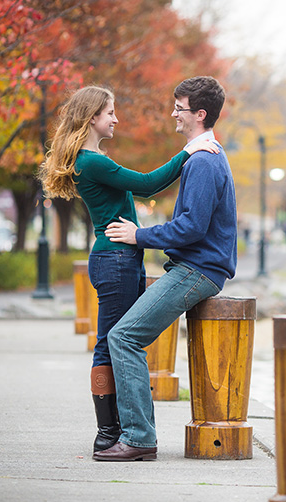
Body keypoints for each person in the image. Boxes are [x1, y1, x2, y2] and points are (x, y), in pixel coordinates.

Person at [38, 85, 219, 456]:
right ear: (92, 118)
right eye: (110, 113)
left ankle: (116, 430)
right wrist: (189, 150)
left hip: (119, 258)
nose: (116, 119)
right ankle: (110, 432)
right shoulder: (93, 161)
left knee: (115, 341)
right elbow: (147, 184)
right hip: (115, 259)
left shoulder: (91, 159)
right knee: (113, 342)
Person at [93, 76, 237, 462]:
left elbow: (192, 227)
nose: (173, 112)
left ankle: (139, 438)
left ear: (199, 114)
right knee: (124, 336)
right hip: (194, 267)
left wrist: (139, 235)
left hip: (198, 270)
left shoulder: (205, 161)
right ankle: (137, 434)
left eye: (180, 107)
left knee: (122, 338)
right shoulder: (201, 156)